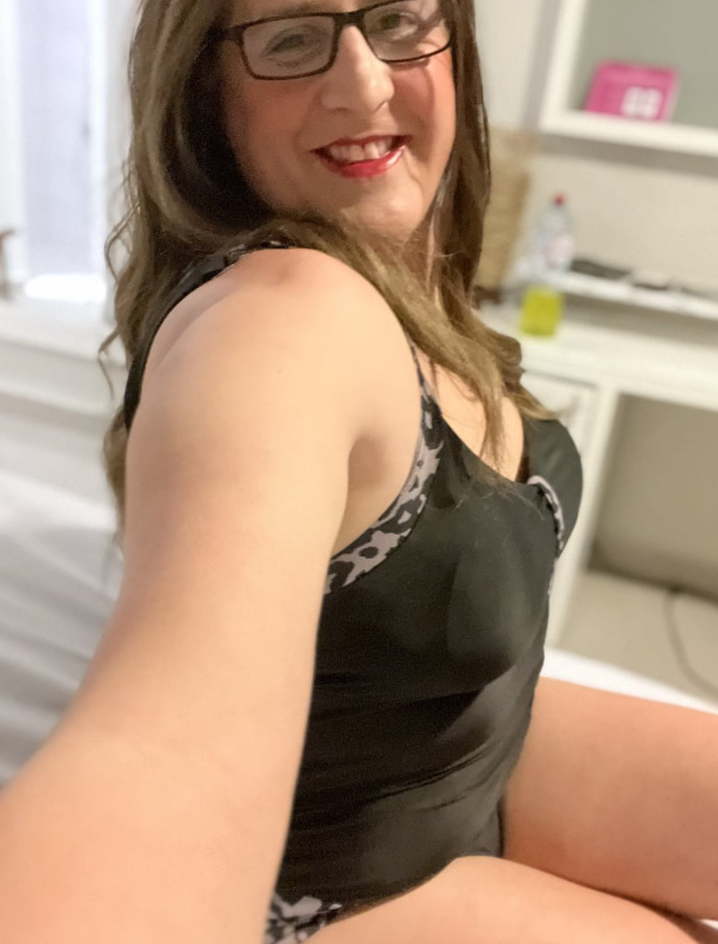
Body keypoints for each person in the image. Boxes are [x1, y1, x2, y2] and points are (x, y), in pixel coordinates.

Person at [0, 0, 717, 941]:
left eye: (399, 21)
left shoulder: (404, 281)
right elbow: (164, 759)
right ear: (207, 94)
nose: (365, 83)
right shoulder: (279, 320)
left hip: (463, 750)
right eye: (292, 40)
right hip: (339, 876)